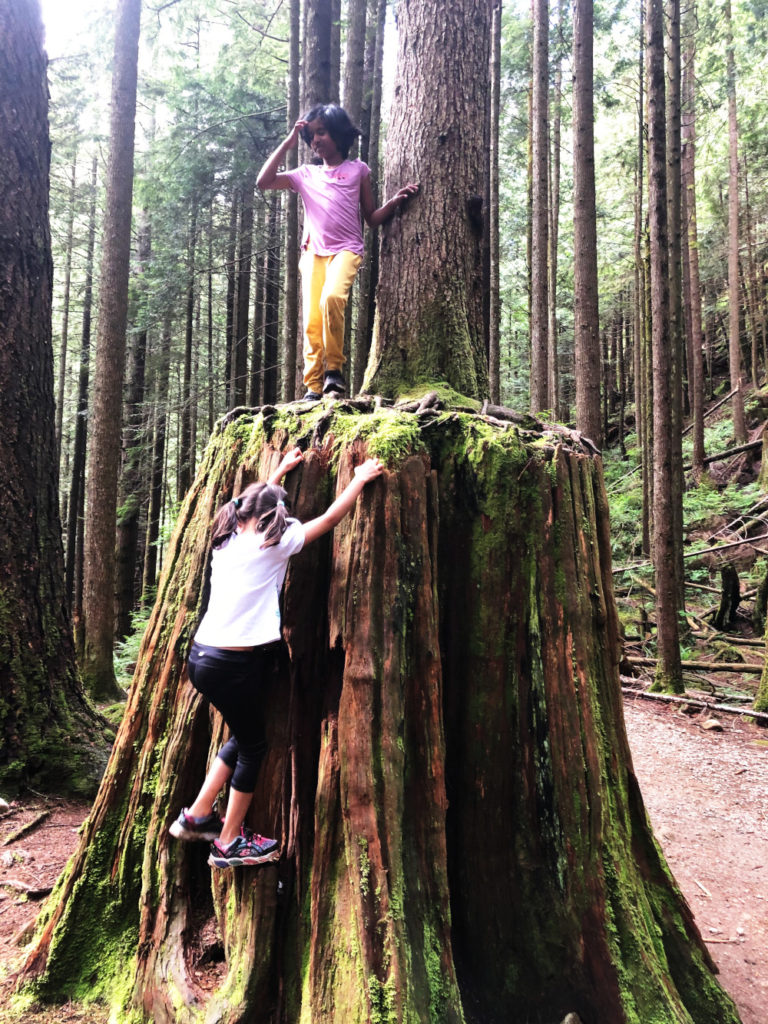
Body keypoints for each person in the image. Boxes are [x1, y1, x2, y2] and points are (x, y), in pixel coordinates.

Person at [170, 445, 384, 868]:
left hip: (203, 659)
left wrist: (278, 473)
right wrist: (358, 479)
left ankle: (196, 816)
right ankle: (228, 843)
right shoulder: (276, 544)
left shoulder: (226, 537)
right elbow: (329, 519)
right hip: (233, 665)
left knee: (242, 736)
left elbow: (254, 503)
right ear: (270, 515)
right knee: (254, 747)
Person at [257, 103, 418, 401]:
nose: (315, 140)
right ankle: (313, 386)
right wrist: (288, 143)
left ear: (338, 133)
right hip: (313, 254)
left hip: (347, 250)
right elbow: (263, 182)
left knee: (332, 299)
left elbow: (371, 218)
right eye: (311, 136)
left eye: (321, 132)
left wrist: (394, 203)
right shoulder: (306, 174)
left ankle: (334, 371)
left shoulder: (358, 170)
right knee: (311, 320)